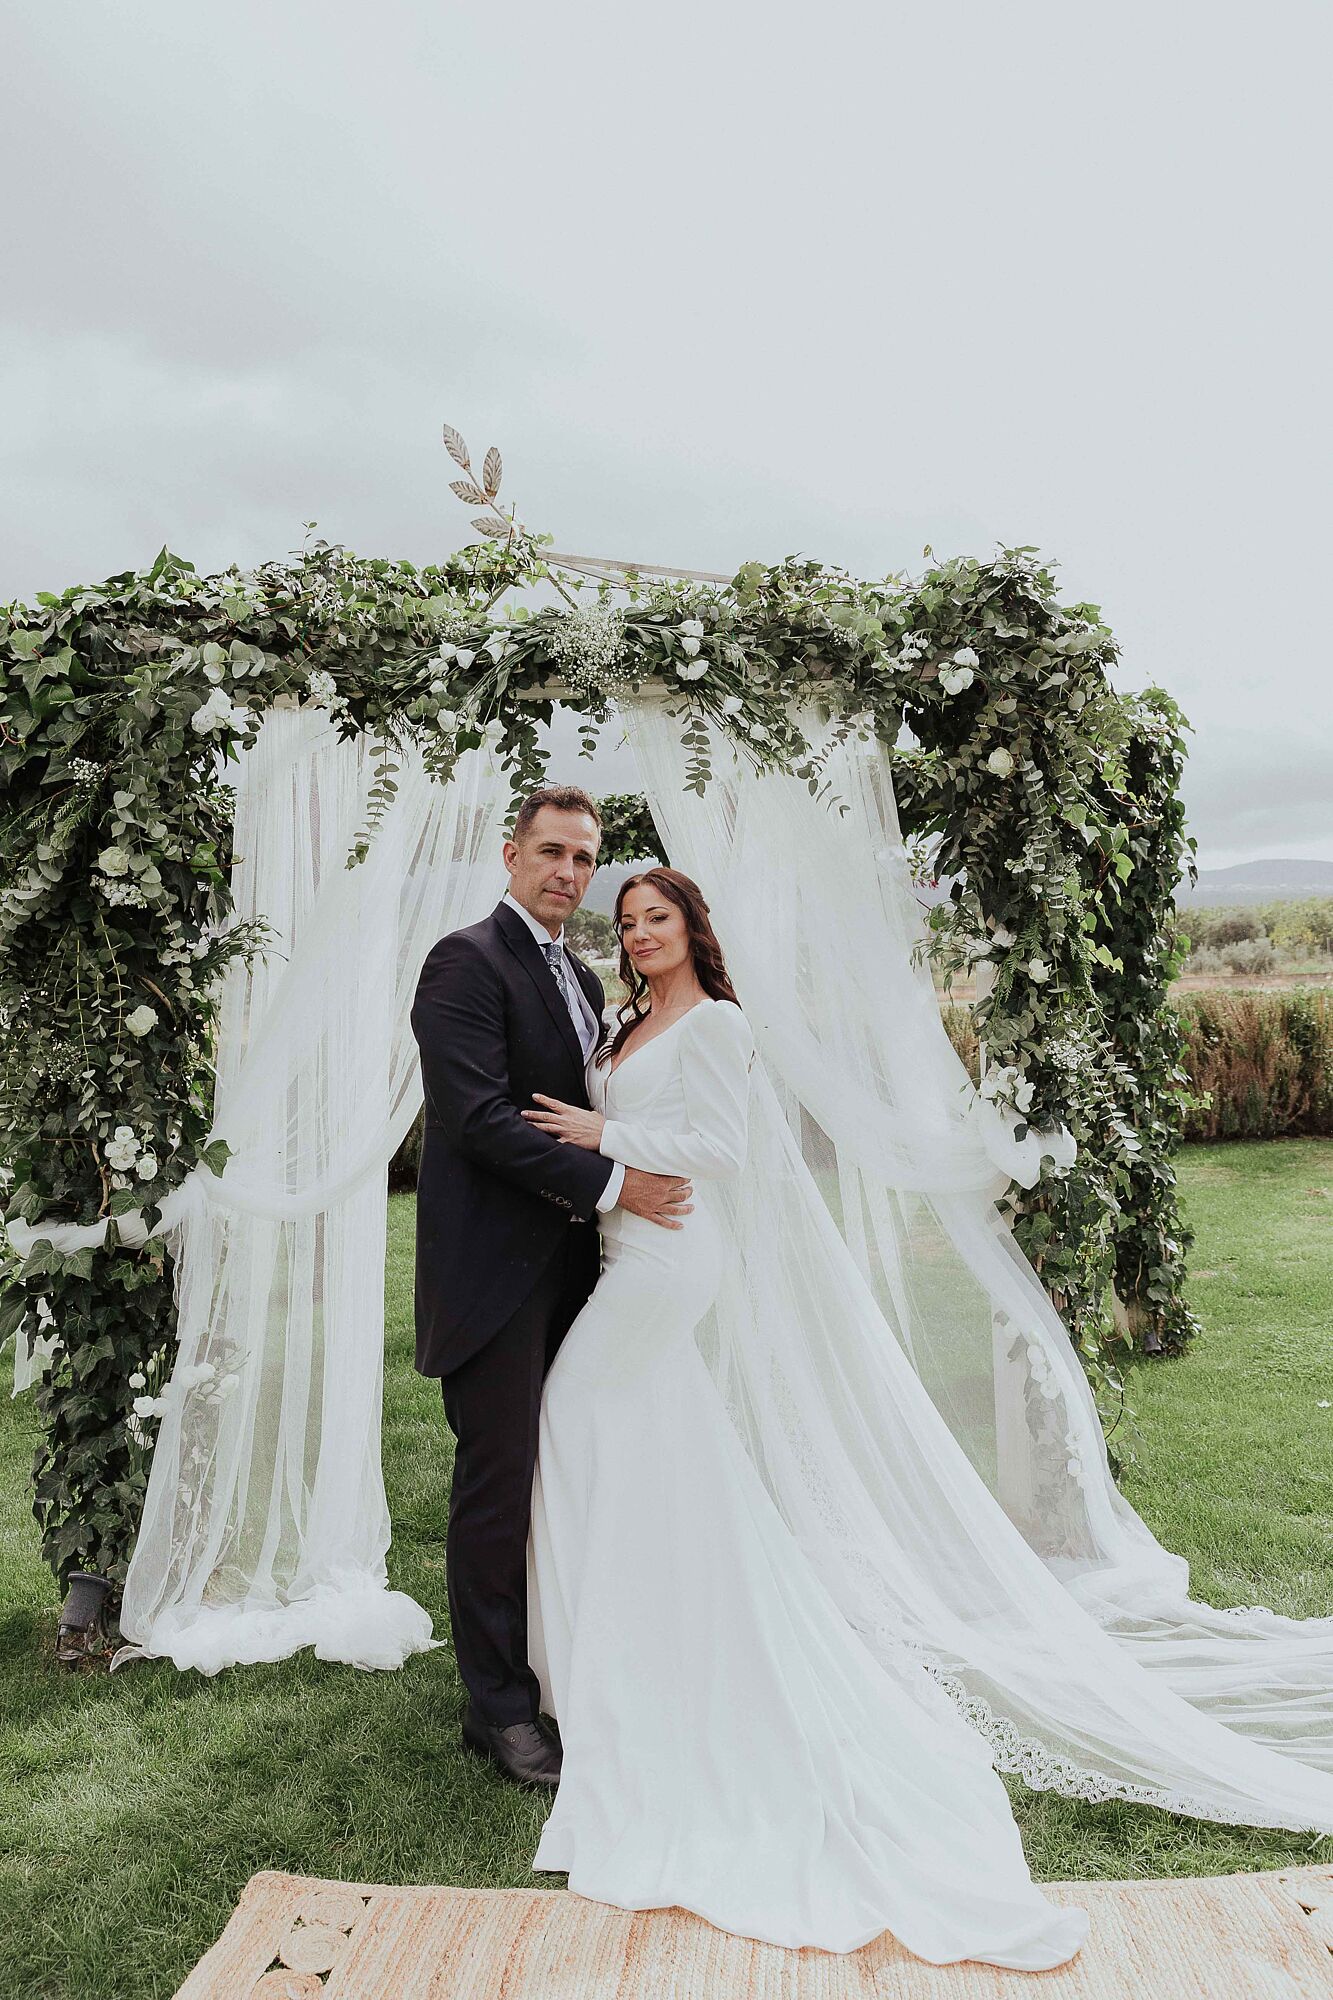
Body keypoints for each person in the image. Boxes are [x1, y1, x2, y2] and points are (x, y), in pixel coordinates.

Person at [516, 865, 1089, 1969]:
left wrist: (603, 1138)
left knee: (574, 1414)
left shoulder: (717, 1024)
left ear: (693, 928)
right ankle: (617, 1650)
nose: (638, 934)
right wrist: (602, 1134)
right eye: (627, 920)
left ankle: (617, 1659)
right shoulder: (633, 1019)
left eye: (657, 918)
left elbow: (726, 1151)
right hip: (626, 1252)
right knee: (639, 1446)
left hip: (669, 1259)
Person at [409, 786, 692, 1789]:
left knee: (567, 1471)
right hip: (494, 1274)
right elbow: (479, 1117)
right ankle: (498, 1708)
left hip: (580, 1268)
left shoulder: (575, 971)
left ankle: (563, 1662)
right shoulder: (464, 962)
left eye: (584, 858)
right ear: (510, 853)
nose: (569, 873)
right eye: (553, 853)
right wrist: (619, 1183)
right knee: (498, 1488)